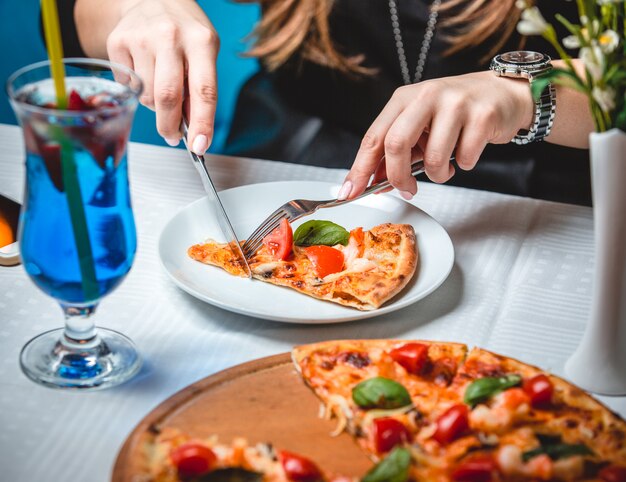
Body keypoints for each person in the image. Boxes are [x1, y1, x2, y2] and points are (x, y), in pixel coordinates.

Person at [60, 0, 593, 205]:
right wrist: (139, 9)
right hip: (285, 161)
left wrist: (525, 95)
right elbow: (80, 12)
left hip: (537, 197)